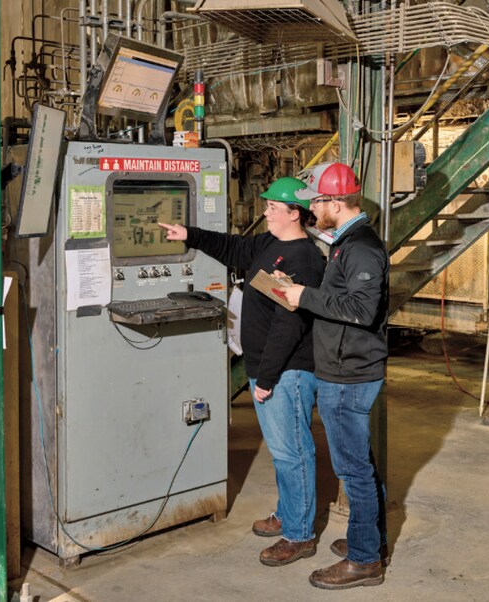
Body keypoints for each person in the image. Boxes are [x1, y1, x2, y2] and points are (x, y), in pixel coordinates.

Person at [159, 177, 324, 567]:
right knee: (284, 452)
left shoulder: (304, 259)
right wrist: (190, 235)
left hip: (287, 372)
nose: (265, 211)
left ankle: (300, 535)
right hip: (266, 366)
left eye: (272, 208)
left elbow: (290, 325)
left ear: (294, 214)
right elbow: (234, 247)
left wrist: (266, 378)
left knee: (293, 452)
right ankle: (288, 513)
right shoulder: (269, 244)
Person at [280, 162, 389, 590]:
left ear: (335, 203)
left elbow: (361, 311)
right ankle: (371, 539)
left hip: (349, 375)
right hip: (345, 368)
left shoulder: (360, 247)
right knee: (360, 463)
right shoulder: (345, 242)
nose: (313, 211)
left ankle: (364, 561)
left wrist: (305, 296)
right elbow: (344, 298)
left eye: (318, 203)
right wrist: (302, 292)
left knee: (353, 470)